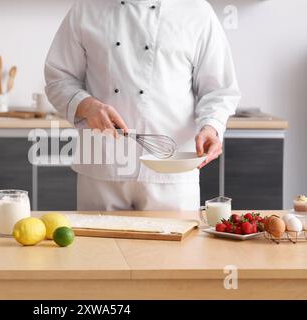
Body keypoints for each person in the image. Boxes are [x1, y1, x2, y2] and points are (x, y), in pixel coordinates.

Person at [45, 0, 240, 211]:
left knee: (175, 244)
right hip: (101, 167)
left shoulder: (196, 10)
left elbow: (219, 89)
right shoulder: (86, 8)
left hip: (172, 171)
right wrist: (86, 105)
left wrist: (211, 126)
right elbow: (59, 78)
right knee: (99, 244)